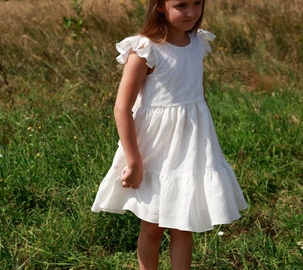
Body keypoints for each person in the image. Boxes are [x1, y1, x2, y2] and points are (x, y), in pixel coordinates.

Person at [91, 0, 248, 269]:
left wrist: (208, 142)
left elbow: (198, 96)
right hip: (155, 150)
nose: (191, 12)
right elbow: (121, 108)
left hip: (191, 146)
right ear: (160, 6)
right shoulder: (146, 49)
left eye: (197, 3)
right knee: (152, 226)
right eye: (181, 5)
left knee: (182, 225)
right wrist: (134, 160)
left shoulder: (197, 43)